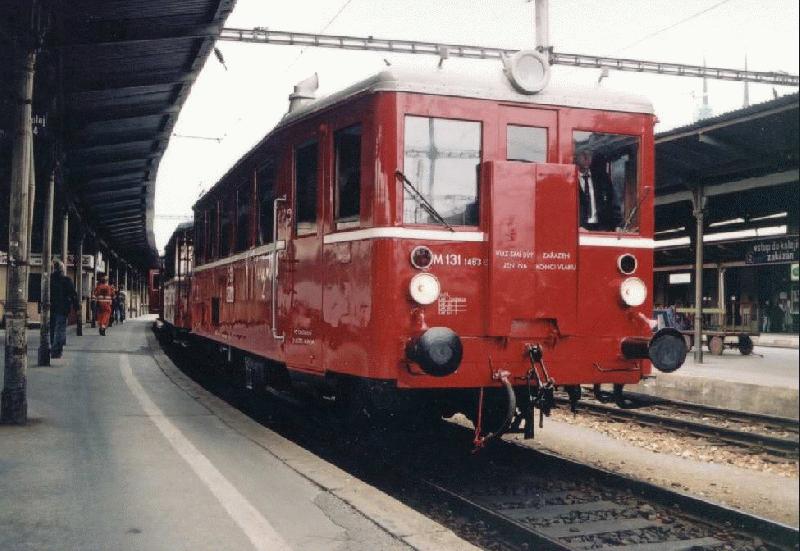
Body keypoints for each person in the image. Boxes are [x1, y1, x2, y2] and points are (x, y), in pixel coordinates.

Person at [575, 149, 621, 231]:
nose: (587, 158)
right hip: (579, 228)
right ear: (575, 157)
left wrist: (617, 225)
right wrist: (576, 226)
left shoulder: (602, 178)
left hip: (602, 228)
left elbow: (613, 201)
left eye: (589, 154)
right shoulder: (570, 179)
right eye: (583, 154)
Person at [49, 260, 77, 358]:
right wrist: (76, 307)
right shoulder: (66, 280)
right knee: (60, 329)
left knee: (52, 328)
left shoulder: (49, 279)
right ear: (62, 269)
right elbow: (73, 294)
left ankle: (53, 346)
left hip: (51, 307)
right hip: (63, 308)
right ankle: (56, 350)